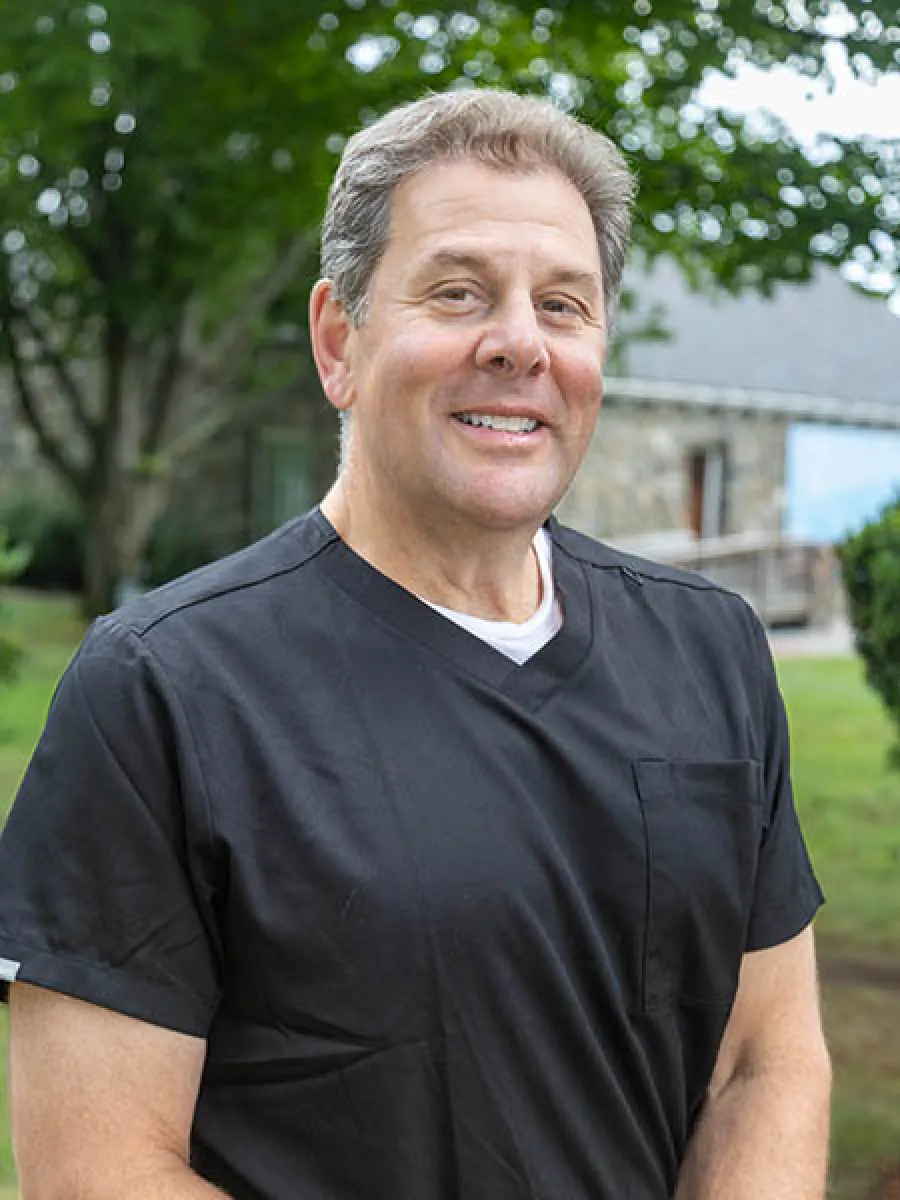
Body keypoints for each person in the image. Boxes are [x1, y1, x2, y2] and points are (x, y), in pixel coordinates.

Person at [0, 88, 830, 1199]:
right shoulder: (165, 688)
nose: (519, 345)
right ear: (340, 341)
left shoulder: (711, 652)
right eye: (458, 292)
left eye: (565, 306)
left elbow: (761, 1065)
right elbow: (96, 1169)